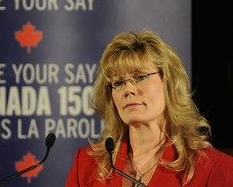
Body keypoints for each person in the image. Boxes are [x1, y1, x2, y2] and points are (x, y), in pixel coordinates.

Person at [65, 29, 233, 187]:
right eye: (118, 83)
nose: (128, 89)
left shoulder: (214, 169)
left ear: (168, 83)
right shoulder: (87, 165)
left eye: (140, 77)